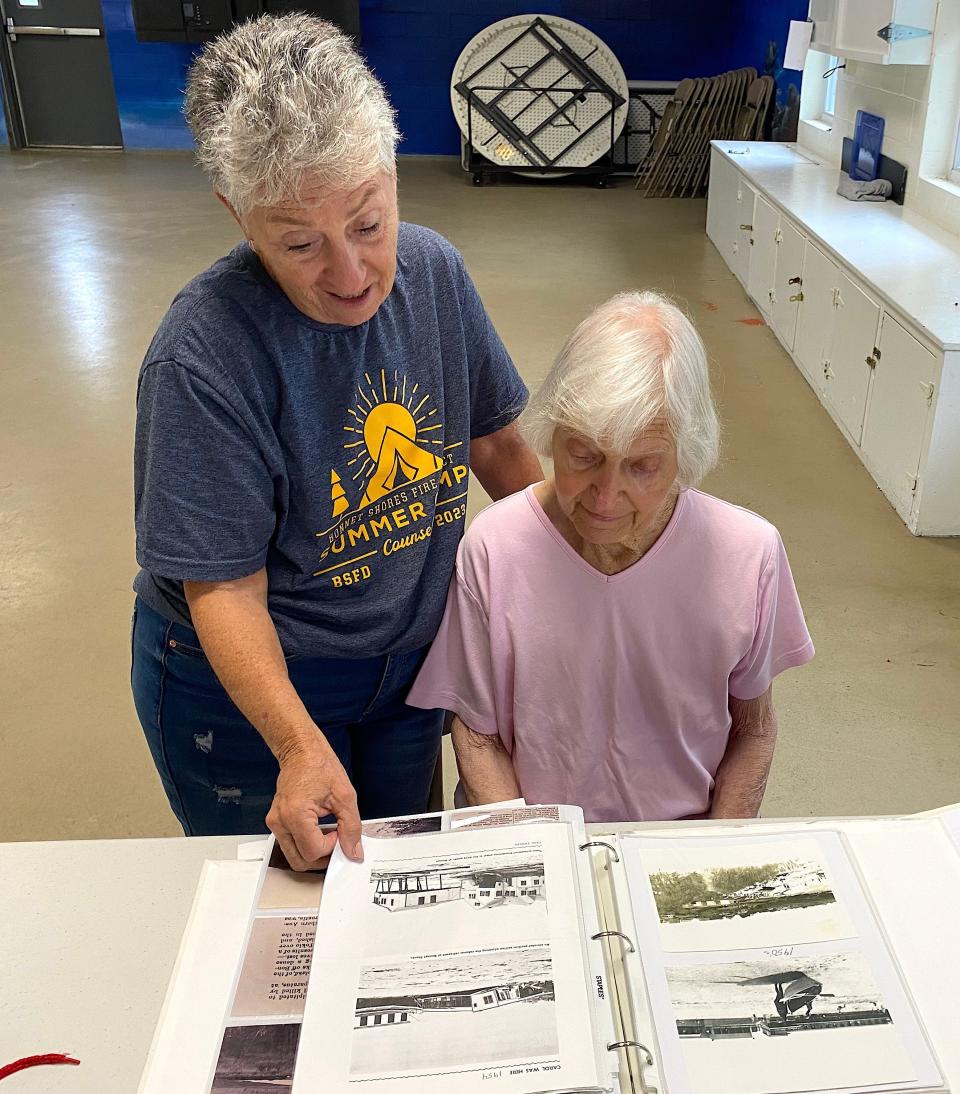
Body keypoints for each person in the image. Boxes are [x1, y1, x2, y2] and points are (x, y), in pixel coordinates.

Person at [131, 14, 542, 869]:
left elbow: (497, 445)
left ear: (390, 176)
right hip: (252, 683)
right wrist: (293, 744)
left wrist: (586, 567)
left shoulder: (434, 274)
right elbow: (225, 591)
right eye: (298, 243)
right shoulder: (204, 357)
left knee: (399, 876)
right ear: (239, 218)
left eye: (368, 223)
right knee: (291, 898)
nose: (351, 276)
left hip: (410, 663)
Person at [407, 291, 814, 822]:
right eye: (584, 456)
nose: (604, 497)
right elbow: (479, 737)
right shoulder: (494, 547)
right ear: (553, 435)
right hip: (535, 840)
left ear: (686, 456)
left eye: (642, 466)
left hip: (678, 844)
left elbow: (754, 730)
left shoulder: (749, 554)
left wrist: (712, 855)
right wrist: (533, 860)